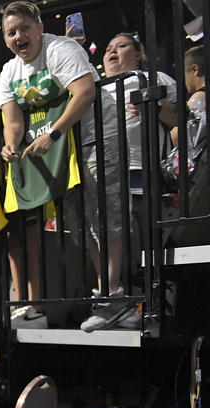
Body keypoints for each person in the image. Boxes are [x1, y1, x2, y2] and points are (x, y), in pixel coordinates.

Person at [0, 1, 98, 327]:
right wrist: (11, 146)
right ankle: (66, 304)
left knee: (96, 227)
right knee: (73, 235)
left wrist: (53, 135)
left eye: (24, 28)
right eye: (11, 32)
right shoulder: (9, 71)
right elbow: (12, 121)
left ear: (39, 27)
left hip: (84, 148)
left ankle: (113, 294)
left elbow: (84, 92)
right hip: (49, 162)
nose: (18, 37)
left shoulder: (60, 48)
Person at [79, 32, 176, 332]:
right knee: (110, 239)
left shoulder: (151, 77)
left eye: (121, 46)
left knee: (146, 241)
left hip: (140, 171)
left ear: (138, 54)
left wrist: (154, 108)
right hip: (102, 173)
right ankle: (121, 304)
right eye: (108, 48)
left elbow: (179, 119)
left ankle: (155, 308)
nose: (112, 52)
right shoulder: (93, 84)